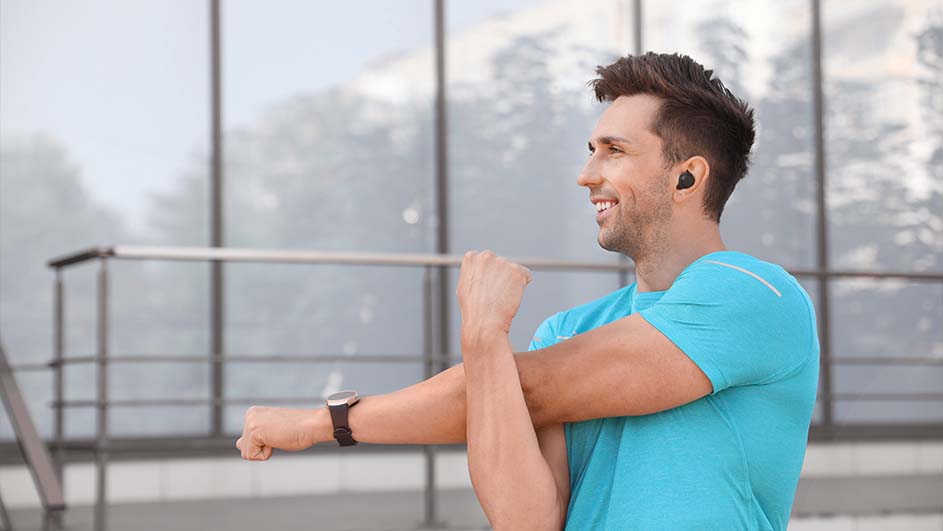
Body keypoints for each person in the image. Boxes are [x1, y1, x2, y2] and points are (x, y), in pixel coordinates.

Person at [236, 52, 820, 531]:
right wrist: (483, 337)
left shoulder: (754, 295)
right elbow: (525, 520)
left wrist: (321, 424)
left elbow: (535, 390)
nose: (587, 174)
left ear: (687, 177)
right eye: (591, 150)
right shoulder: (567, 331)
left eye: (615, 150)